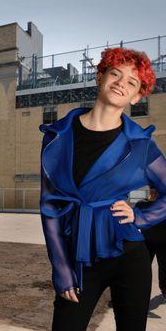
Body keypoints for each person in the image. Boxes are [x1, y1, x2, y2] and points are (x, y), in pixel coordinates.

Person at [38, 46, 166, 331]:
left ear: (137, 96)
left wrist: (140, 216)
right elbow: (49, 208)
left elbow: (158, 191)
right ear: (100, 77)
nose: (121, 83)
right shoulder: (57, 136)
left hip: (130, 256)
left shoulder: (141, 144)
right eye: (115, 73)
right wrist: (60, 269)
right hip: (78, 257)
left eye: (131, 82)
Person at [135, 187, 166, 300]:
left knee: (164, 267)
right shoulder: (142, 191)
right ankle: (131, 296)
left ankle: (164, 290)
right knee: (140, 269)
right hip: (146, 238)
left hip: (164, 239)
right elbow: (128, 198)